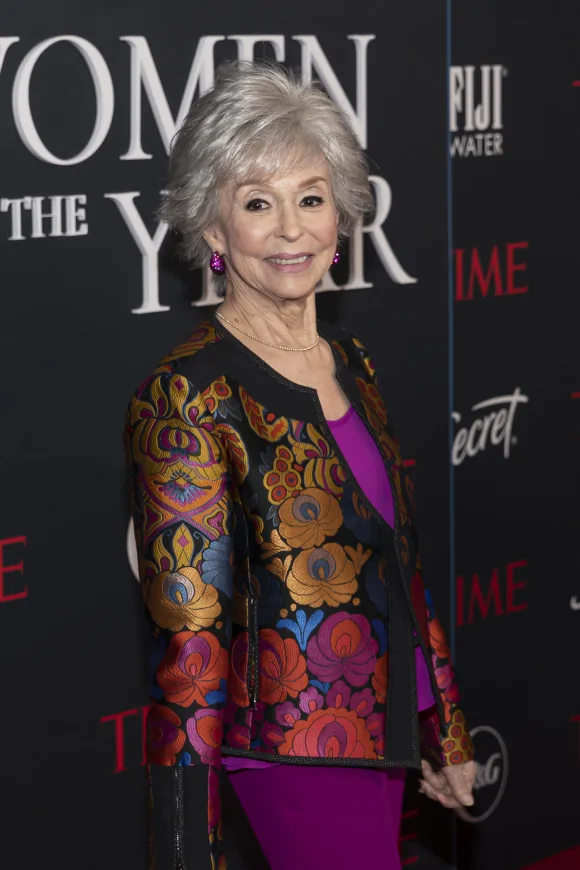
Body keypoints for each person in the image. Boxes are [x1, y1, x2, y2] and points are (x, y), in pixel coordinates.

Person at [124, 61, 476, 870]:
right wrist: (184, 850)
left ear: (341, 220)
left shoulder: (350, 361)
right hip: (294, 748)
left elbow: (400, 565)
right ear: (213, 232)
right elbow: (190, 643)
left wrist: (444, 726)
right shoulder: (187, 396)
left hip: (381, 726)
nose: (290, 230)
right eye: (257, 203)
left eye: (310, 198)